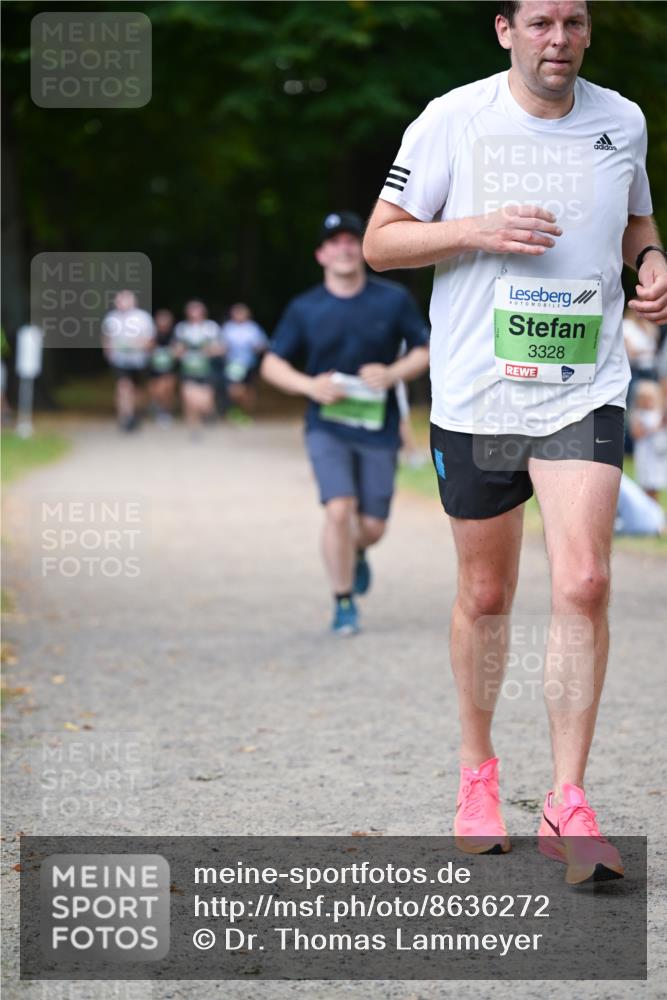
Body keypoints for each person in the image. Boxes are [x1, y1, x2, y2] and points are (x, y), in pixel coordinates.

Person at [364, 0, 667, 883]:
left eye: (572, 22)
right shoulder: (451, 119)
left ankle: (568, 802)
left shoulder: (622, 120)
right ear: (504, 30)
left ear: (588, 30)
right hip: (479, 396)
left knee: (584, 581)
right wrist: (476, 229)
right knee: (487, 593)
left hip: (582, 389)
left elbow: (636, 225)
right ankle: (477, 772)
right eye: (539, 23)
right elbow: (381, 243)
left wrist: (650, 265)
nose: (557, 39)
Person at [261, 210, 429, 635]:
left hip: (379, 429)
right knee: (339, 510)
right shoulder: (305, 308)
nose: (344, 248)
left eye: (352, 240)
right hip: (327, 427)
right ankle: (343, 600)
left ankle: (355, 552)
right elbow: (271, 364)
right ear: (321, 255)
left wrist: (392, 373)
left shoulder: (392, 299)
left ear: (364, 248)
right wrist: (309, 386)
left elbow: (425, 350)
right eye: (334, 242)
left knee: (372, 527)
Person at [101, 290, 154, 432]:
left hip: (139, 360)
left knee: (138, 391)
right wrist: (108, 352)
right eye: (119, 300)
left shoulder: (143, 318)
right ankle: (125, 417)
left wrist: (138, 346)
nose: (121, 303)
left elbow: (150, 340)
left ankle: (136, 414)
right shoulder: (111, 318)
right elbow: (106, 337)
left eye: (125, 300)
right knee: (123, 387)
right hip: (120, 360)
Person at [173, 300, 223, 437]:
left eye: (197, 311)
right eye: (192, 311)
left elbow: (221, 349)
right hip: (188, 369)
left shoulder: (211, 327)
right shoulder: (182, 328)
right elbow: (176, 349)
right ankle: (194, 428)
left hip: (207, 369)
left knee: (205, 402)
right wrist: (179, 352)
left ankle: (209, 413)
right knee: (188, 399)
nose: (195, 314)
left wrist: (208, 350)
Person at [219, 303, 269, 419]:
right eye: (236, 312)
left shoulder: (253, 328)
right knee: (235, 390)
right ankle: (235, 411)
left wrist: (258, 347)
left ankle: (245, 414)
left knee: (249, 392)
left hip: (249, 364)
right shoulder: (228, 328)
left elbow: (263, 345)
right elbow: (220, 345)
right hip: (233, 364)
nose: (239, 315)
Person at [630, 380, 667, 501]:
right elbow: (637, 433)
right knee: (645, 486)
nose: (648, 402)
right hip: (645, 454)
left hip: (657, 455)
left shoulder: (658, 413)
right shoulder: (638, 415)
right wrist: (654, 429)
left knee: (655, 486)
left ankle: (655, 509)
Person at [148, 308, 177, 424]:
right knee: (157, 391)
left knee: (167, 390)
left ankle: (166, 412)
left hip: (169, 368)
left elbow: (178, 349)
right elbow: (147, 348)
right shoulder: (152, 334)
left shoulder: (174, 334)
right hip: (154, 368)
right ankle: (158, 408)